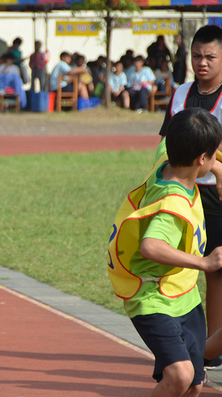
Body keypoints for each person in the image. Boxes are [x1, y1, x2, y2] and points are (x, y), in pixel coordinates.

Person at [108, 107, 222, 397]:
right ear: (201, 159)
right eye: (214, 154)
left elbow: (183, 131)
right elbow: (151, 246)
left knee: (195, 384)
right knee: (180, 376)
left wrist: (218, 170)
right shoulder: (173, 205)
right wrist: (204, 262)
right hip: (153, 299)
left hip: (182, 294)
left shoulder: (167, 156)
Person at [158, 24, 222, 368]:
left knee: (216, 273)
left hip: (217, 200)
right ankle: (181, 347)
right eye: (196, 56)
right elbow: (169, 144)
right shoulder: (181, 93)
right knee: (179, 272)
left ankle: (212, 352)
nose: (202, 63)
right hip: (183, 195)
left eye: (210, 57)